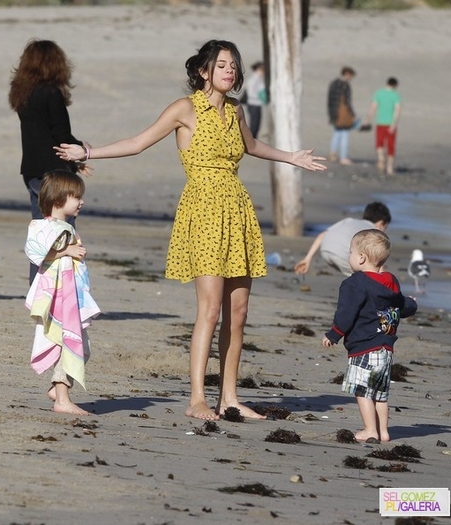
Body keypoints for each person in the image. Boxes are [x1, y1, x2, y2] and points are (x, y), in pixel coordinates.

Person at [54, 39, 327, 421]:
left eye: (233, 65)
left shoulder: (236, 111)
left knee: (239, 311)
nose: (230, 71)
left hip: (237, 209)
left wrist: (291, 157)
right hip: (202, 209)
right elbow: (138, 142)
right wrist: (88, 152)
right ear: (203, 71)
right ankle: (197, 398)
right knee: (210, 309)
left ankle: (229, 397)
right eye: (221, 65)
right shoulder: (185, 109)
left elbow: (252, 146)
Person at [8, 39, 91, 284]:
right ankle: (62, 289)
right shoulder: (51, 93)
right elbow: (61, 135)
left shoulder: (22, 93)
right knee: (63, 231)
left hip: (31, 171)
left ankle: (39, 291)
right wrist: (82, 152)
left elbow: (42, 133)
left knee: (41, 233)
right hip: (54, 172)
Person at [322, 229, 417, 443]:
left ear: (361, 258)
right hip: (386, 348)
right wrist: (413, 304)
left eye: (351, 252)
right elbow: (400, 304)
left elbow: (346, 313)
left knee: (363, 390)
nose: (350, 256)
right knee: (380, 393)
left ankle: (369, 430)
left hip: (363, 347)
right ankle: (383, 431)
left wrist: (334, 334)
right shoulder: (390, 282)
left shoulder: (354, 284)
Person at [25, 170, 100, 415]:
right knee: (64, 341)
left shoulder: (64, 227)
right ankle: (62, 399)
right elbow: (38, 254)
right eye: (76, 197)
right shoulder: (46, 226)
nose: (81, 201)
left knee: (80, 345)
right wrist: (67, 252)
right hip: (59, 298)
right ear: (58, 199)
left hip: (69, 296)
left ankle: (59, 389)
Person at [294, 201, 391, 277]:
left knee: (358, 276)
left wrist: (307, 259)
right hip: (343, 253)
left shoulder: (349, 220)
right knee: (369, 274)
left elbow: (322, 236)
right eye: (385, 228)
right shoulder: (373, 232)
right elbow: (375, 258)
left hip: (325, 249)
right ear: (380, 224)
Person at [363, 77, 401, 176]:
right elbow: (397, 111)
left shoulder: (378, 93)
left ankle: (381, 158)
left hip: (380, 123)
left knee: (379, 143)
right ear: (395, 85)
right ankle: (389, 168)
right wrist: (394, 124)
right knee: (390, 146)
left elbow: (373, 107)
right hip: (390, 124)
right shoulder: (396, 95)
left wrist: (367, 119)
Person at [327, 66, 357, 165]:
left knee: (337, 133)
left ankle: (333, 153)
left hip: (334, 112)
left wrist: (331, 114)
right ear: (348, 74)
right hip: (343, 113)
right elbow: (347, 102)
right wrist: (352, 114)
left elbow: (330, 100)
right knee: (344, 134)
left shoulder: (333, 83)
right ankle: (343, 157)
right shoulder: (345, 85)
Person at [244, 61, 267, 138]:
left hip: (257, 104)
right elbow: (251, 93)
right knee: (254, 125)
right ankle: (251, 141)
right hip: (253, 104)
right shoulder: (253, 80)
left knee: (257, 125)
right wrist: (260, 97)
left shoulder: (258, 79)